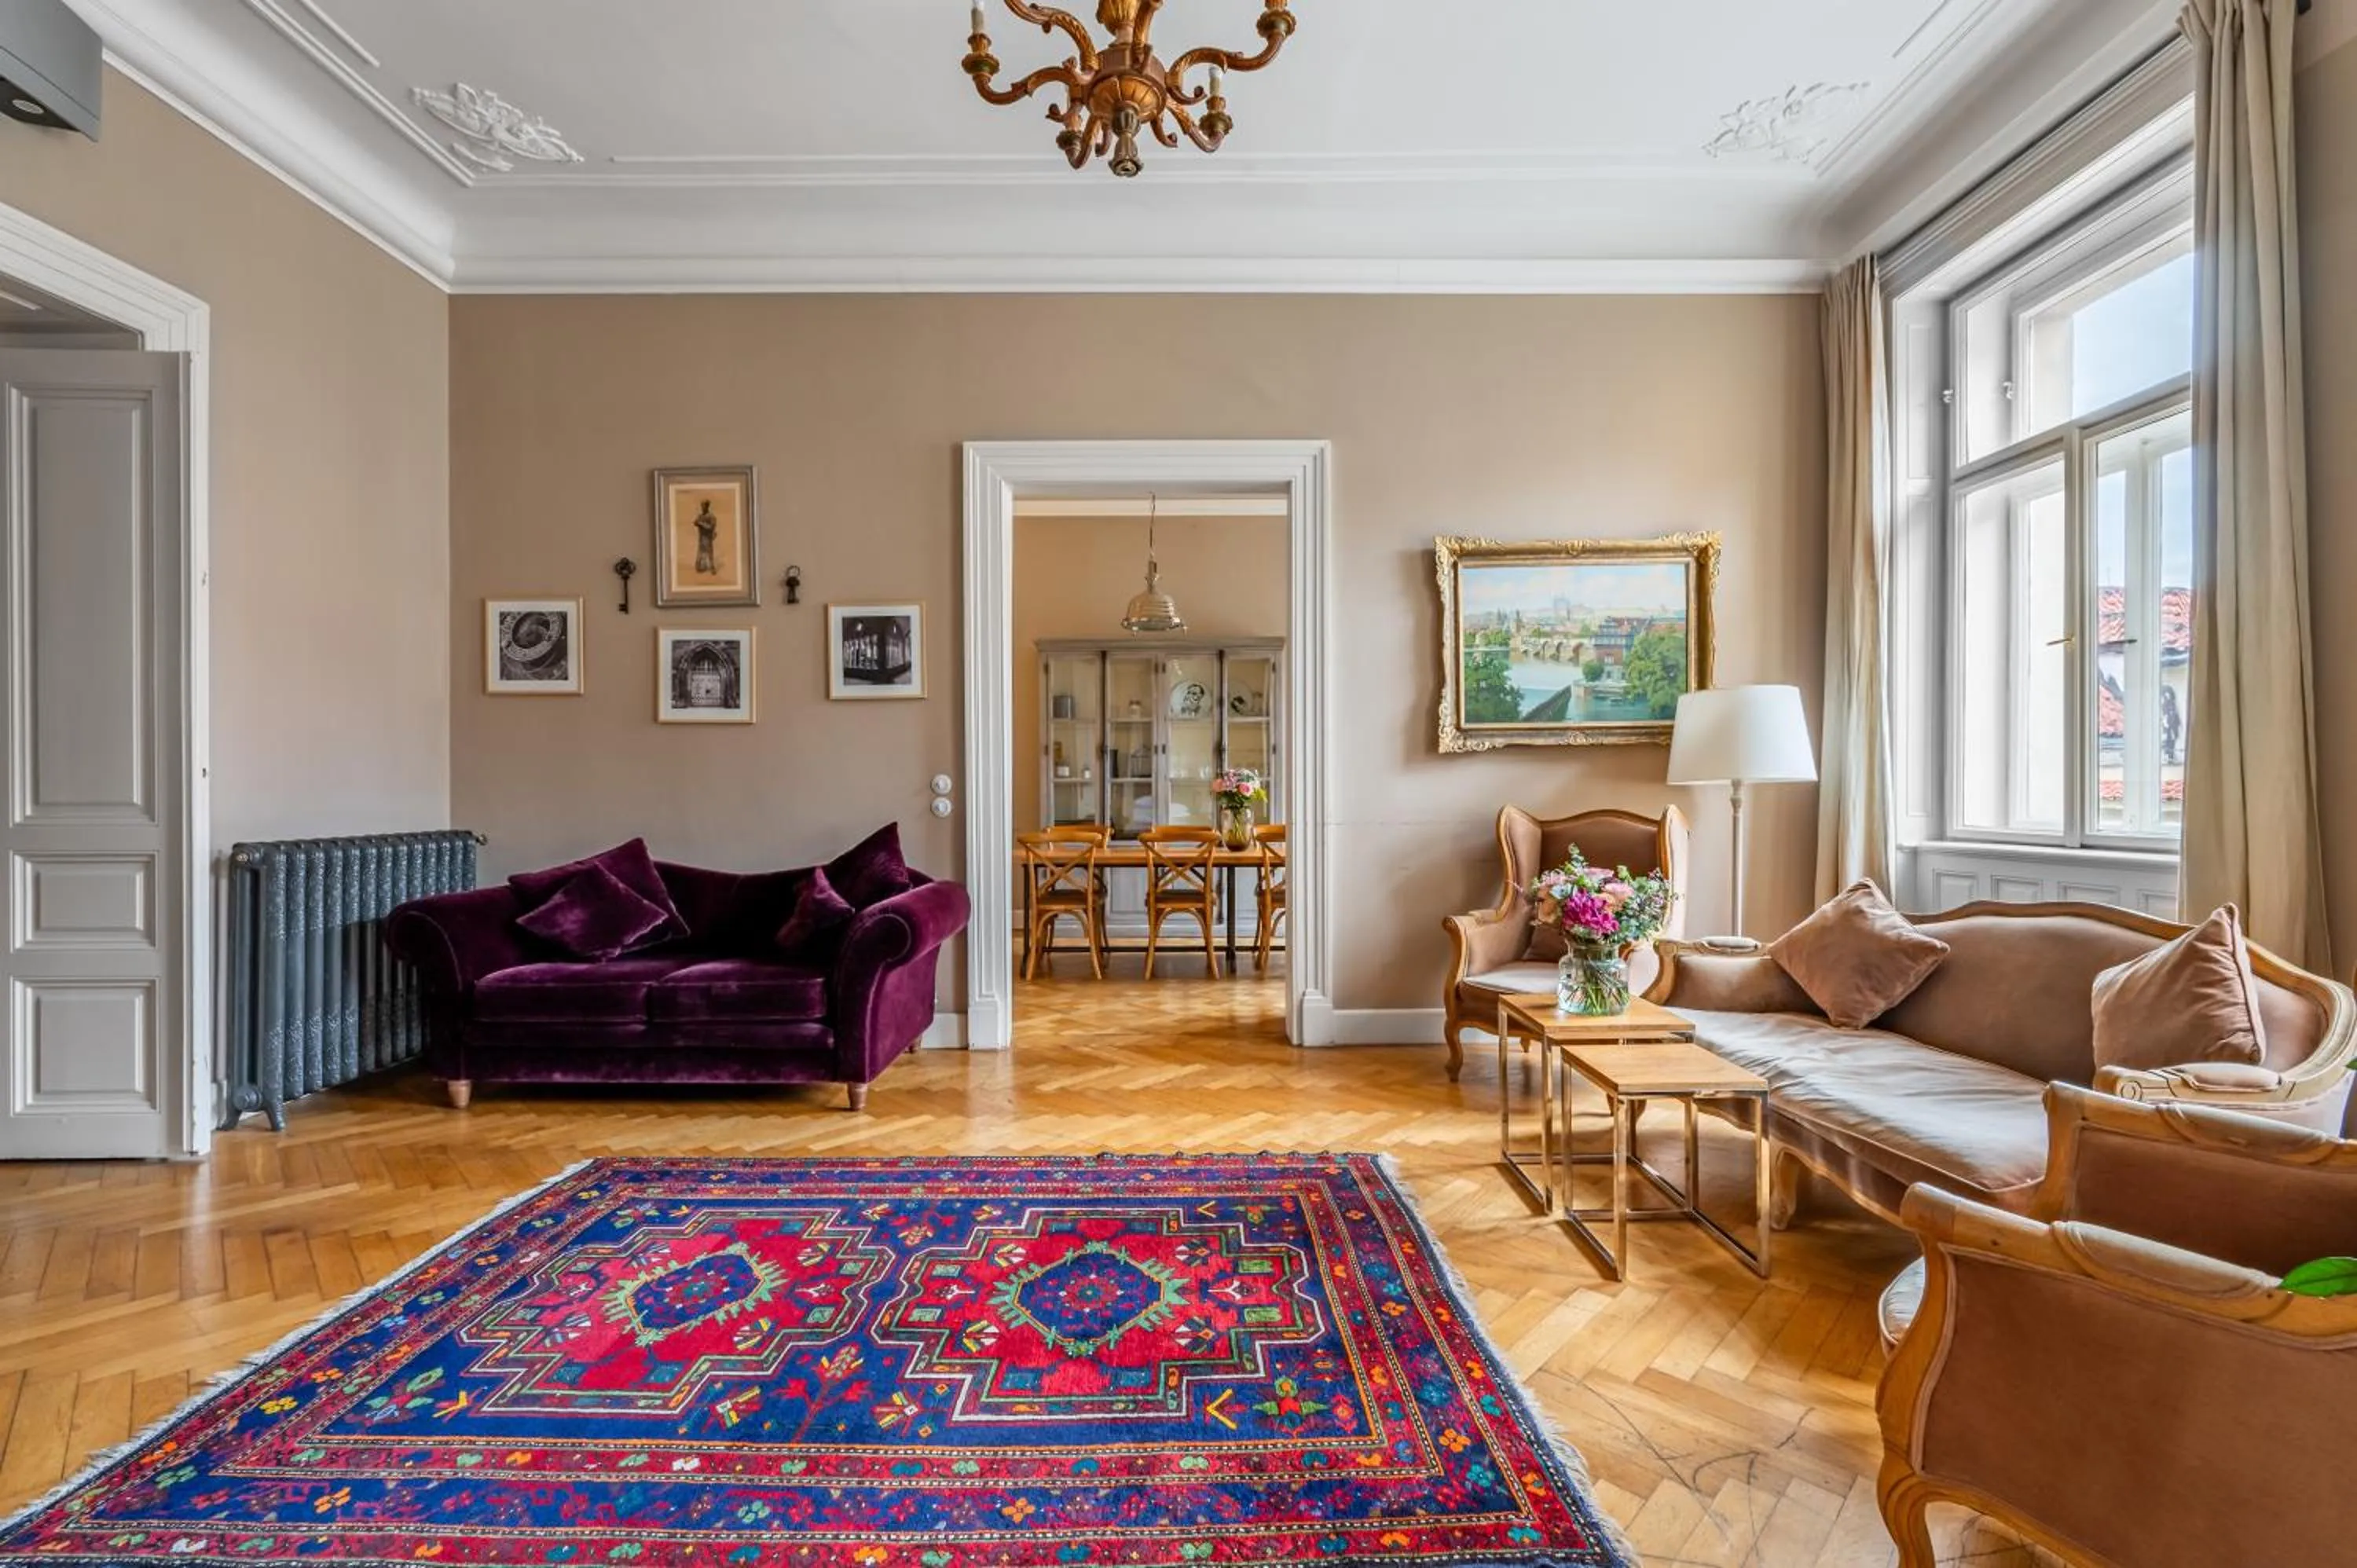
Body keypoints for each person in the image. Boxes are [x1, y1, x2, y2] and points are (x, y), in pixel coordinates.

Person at [692, 500, 719, 576]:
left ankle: (712, 568)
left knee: (709, 553)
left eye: (704, 506)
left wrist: (702, 524)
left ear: (707, 507)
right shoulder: (701, 516)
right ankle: (699, 566)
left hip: (708, 537)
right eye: (702, 506)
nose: (702, 508)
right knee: (701, 552)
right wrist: (697, 522)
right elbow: (695, 522)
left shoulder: (711, 516)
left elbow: (711, 527)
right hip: (702, 537)